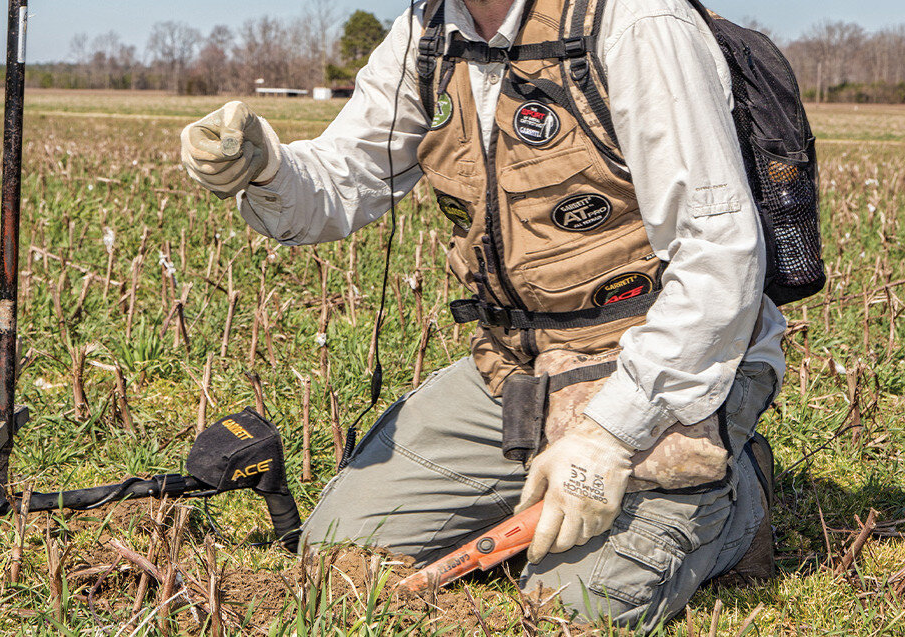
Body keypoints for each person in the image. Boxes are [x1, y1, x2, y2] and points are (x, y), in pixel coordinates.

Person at [180, 0, 787, 630]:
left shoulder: (639, 23)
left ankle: (735, 496)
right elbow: (342, 181)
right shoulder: (428, 32)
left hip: (669, 362)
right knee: (341, 557)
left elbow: (720, 260)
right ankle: (539, 473)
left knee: (570, 610)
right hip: (517, 366)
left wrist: (611, 433)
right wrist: (266, 168)